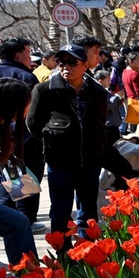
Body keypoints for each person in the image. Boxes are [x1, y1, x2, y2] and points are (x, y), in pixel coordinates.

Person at [26, 45, 107, 246]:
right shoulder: (44, 90)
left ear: (85, 65)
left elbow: (101, 123)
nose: (65, 67)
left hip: (90, 162)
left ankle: (88, 252)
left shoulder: (97, 91)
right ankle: (63, 255)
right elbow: (33, 123)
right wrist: (52, 140)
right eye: (61, 62)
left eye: (72, 62)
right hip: (60, 163)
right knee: (60, 212)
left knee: (88, 212)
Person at [0, 38, 44, 232]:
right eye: (28, 52)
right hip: (24, 141)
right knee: (20, 182)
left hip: (12, 144)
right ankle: (25, 220)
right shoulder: (25, 77)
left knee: (11, 181)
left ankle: (15, 221)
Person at [0, 78, 38, 266]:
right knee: (17, 222)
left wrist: (24, 190)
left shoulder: (4, 128)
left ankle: (31, 277)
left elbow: (12, 170)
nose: (30, 106)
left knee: (19, 222)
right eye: (28, 102)